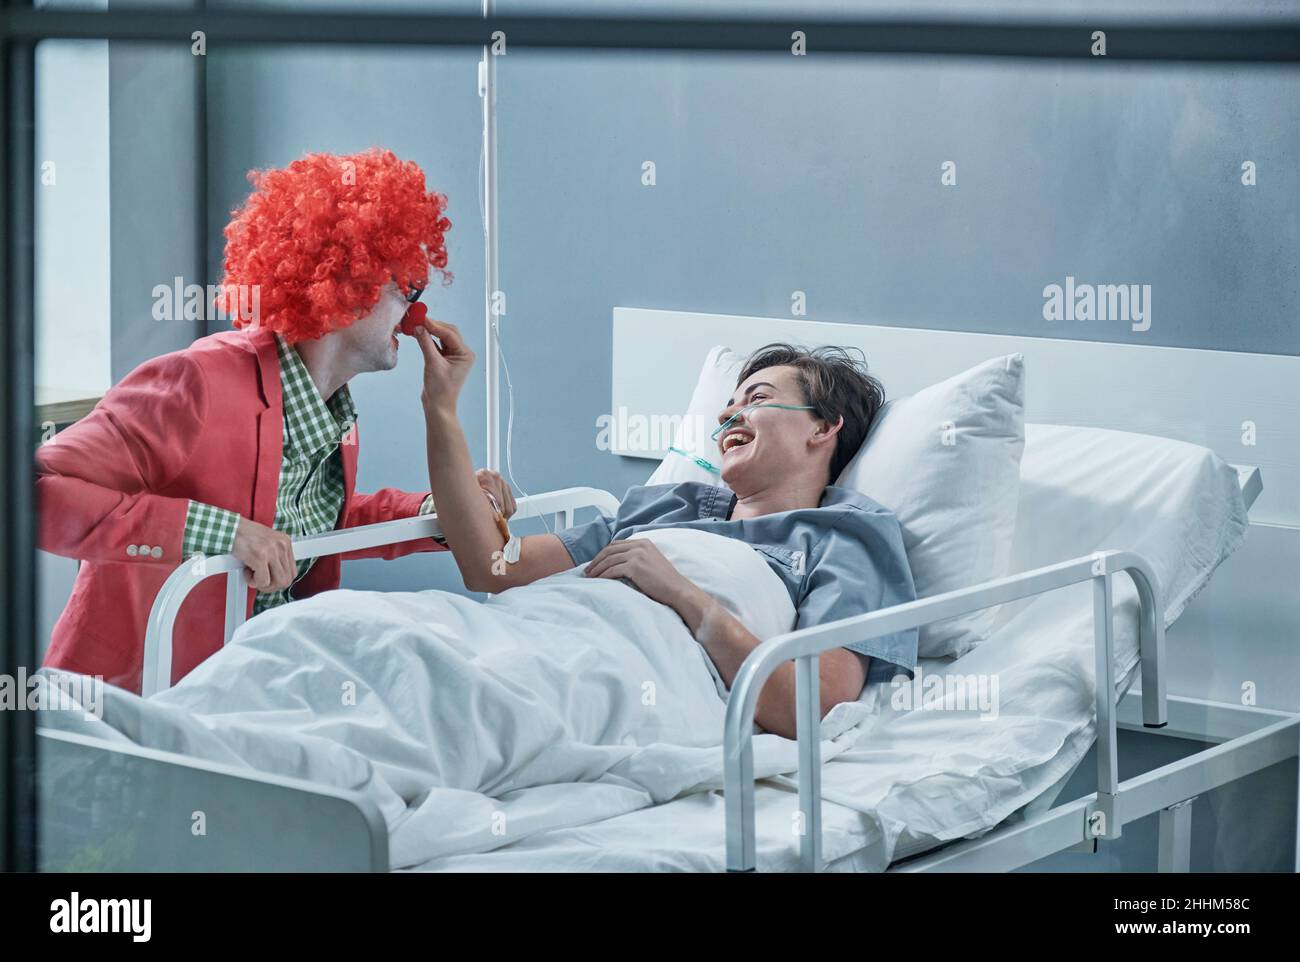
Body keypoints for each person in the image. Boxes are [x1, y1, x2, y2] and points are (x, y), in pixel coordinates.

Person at [36, 147, 514, 694]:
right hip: (135, 701)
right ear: (347, 286)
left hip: (255, 691)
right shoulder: (197, 385)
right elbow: (37, 491)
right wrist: (224, 534)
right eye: (408, 288)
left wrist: (435, 510)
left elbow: (309, 524)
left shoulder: (334, 408)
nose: (417, 314)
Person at [412, 320, 918, 740]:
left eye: (755, 398)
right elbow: (493, 567)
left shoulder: (844, 537)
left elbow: (816, 707)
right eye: (727, 405)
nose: (726, 415)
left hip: (603, 685)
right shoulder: (669, 506)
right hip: (522, 640)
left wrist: (680, 592)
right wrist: (441, 409)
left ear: (823, 427)